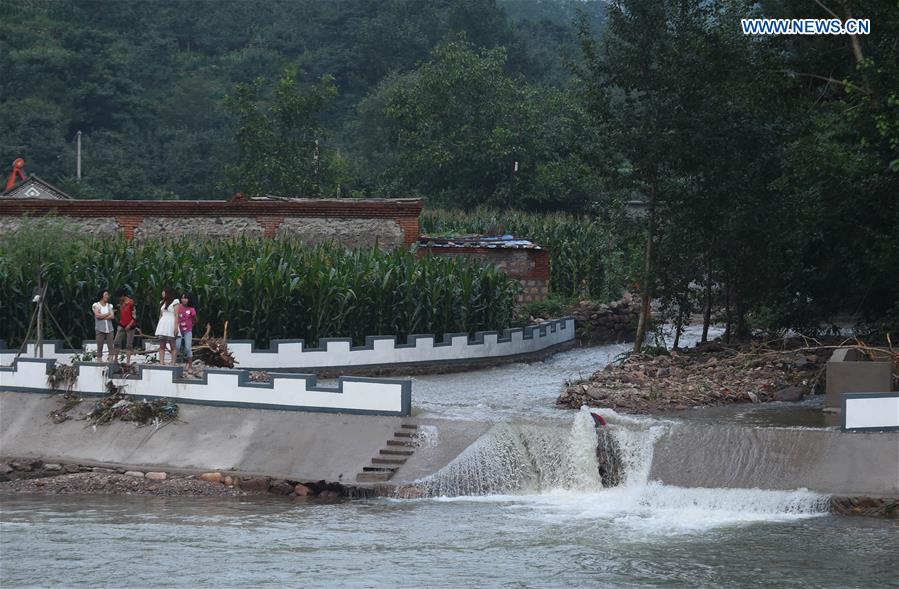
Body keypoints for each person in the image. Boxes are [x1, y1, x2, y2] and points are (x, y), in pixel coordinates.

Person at [154, 286, 180, 365]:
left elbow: (176, 314)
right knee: (162, 345)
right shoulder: (162, 302)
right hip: (163, 324)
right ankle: (161, 362)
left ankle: (173, 363)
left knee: (173, 345)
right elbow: (160, 315)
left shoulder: (175, 301)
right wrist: (158, 326)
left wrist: (176, 327)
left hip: (171, 323)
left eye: (164, 291)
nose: (162, 293)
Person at [113, 288, 138, 364]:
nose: (119, 299)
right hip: (122, 324)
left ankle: (128, 362)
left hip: (130, 325)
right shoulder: (120, 302)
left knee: (129, 344)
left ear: (123, 296)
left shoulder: (131, 302)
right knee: (116, 342)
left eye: (120, 297)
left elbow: (134, 316)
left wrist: (129, 325)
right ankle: (115, 359)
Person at [175, 292, 197, 377]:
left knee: (188, 348)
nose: (183, 300)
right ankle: (174, 363)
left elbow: (195, 320)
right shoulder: (178, 307)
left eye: (186, 298)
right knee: (177, 346)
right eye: (182, 298)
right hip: (179, 330)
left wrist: (191, 324)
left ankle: (190, 366)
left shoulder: (191, 309)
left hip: (188, 331)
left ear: (189, 299)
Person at [92, 289, 115, 362]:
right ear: (102, 296)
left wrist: (102, 316)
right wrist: (108, 313)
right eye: (106, 295)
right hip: (99, 329)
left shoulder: (110, 305)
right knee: (100, 346)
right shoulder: (96, 305)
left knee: (111, 346)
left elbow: (112, 316)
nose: (107, 296)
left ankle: (110, 361)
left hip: (110, 329)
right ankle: (99, 361)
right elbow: (97, 316)